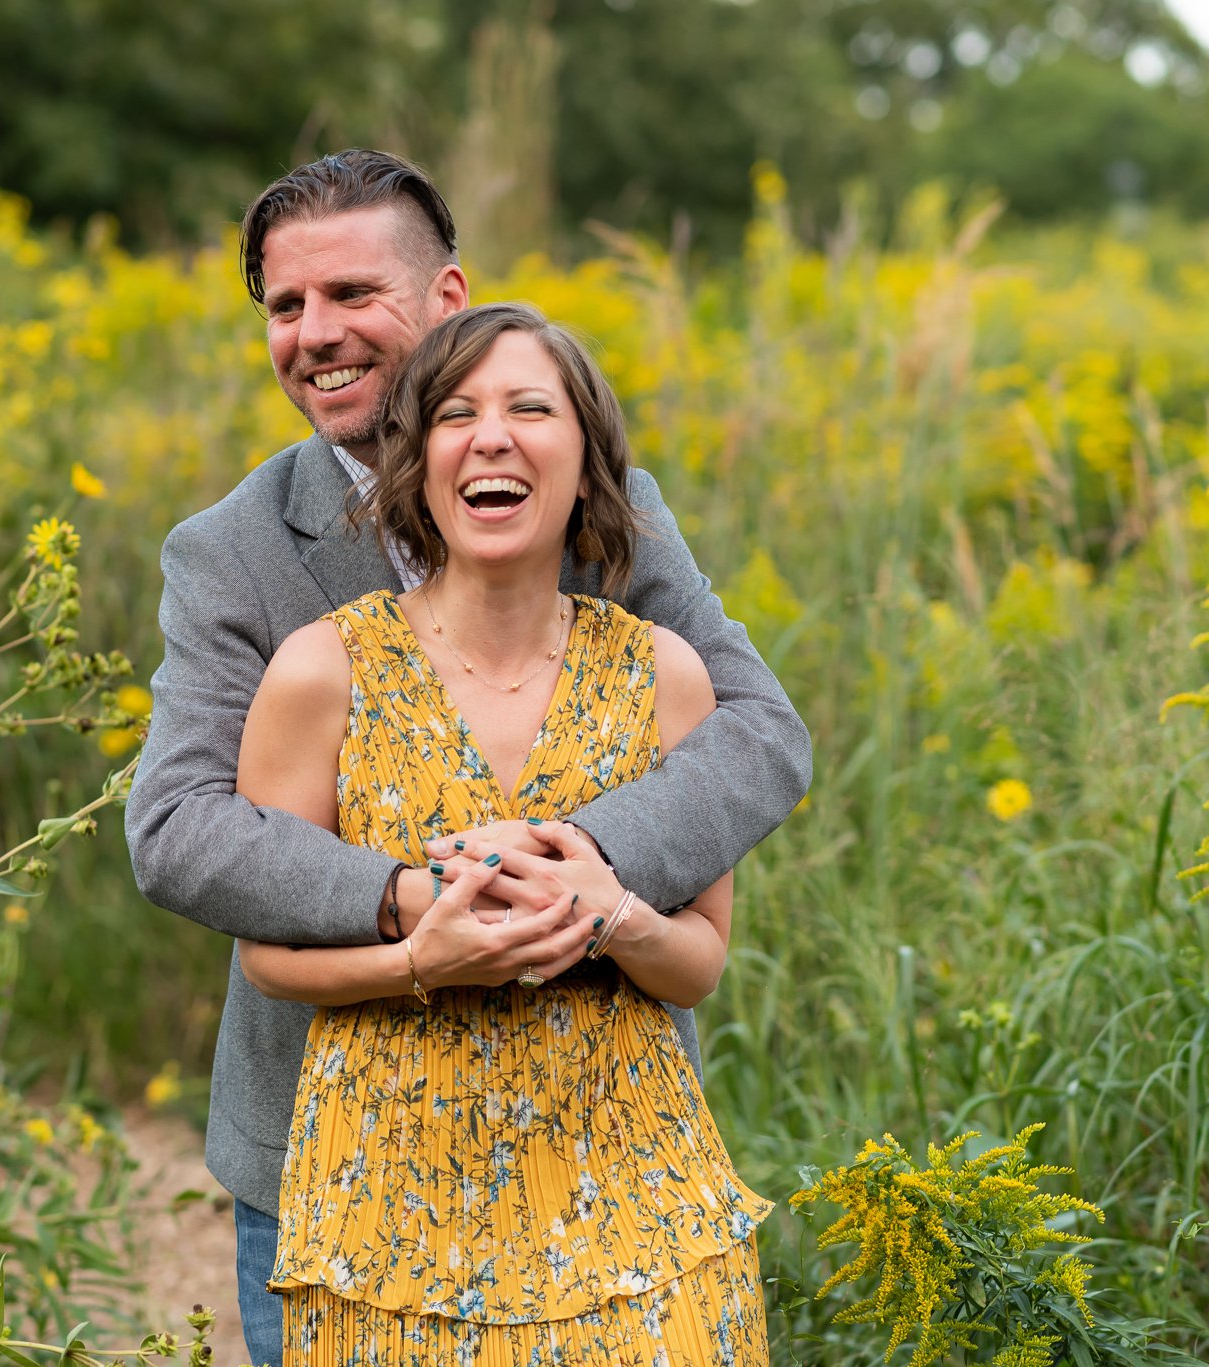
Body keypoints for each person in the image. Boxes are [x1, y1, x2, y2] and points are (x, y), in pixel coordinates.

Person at [122, 149, 812, 1366]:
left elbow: (759, 734)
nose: (313, 335)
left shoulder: (592, 499)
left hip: (604, 1149)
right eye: (285, 307)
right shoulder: (230, 552)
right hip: (332, 1160)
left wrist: (580, 865)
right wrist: (410, 901)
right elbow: (176, 827)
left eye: (349, 295)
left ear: (447, 301)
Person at [235, 301, 775, 1362]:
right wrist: (414, 960)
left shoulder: (665, 671)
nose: (492, 435)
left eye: (531, 408)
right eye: (454, 414)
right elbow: (266, 952)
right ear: (416, 466)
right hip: (384, 1213)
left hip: (635, 1208)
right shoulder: (317, 669)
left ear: (586, 462)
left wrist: (614, 914)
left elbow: (699, 963)